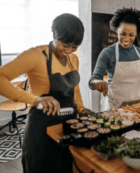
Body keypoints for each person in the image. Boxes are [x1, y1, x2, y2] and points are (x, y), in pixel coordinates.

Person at [0, 13, 91, 173]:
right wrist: (34, 100)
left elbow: (74, 90)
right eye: (65, 45)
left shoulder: (73, 59)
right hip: (41, 130)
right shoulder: (35, 55)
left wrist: (81, 109)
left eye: (74, 47)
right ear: (54, 34)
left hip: (67, 127)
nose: (69, 51)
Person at [89, 7, 140, 110]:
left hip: (138, 107)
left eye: (131, 35)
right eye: (123, 34)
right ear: (116, 30)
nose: (127, 39)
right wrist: (97, 82)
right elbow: (92, 81)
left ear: (136, 34)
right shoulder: (107, 53)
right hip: (115, 108)